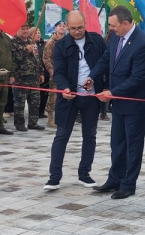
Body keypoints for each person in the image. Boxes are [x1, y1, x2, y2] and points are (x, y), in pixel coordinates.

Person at [87, 5, 145, 200]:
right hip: (118, 102)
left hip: (136, 104)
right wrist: (92, 76)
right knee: (117, 143)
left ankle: (128, 184)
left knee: (133, 145)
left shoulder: (143, 44)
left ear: (126, 23)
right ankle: (114, 179)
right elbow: (106, 59)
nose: (111, 29)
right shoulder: (116, 36)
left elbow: (138, 79)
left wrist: (112, 93)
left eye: (113, 25)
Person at [43, 11, 106, 190]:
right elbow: (59, 71)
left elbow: (104, 63)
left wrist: (93, 79)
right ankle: (54, 177)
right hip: (68, 97)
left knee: (90, 135)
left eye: (80, 28)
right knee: (61, 135)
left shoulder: (97, 41)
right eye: (72, 29)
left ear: (85, 25)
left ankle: (84, 173)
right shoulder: (61, 45)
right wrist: (64, 88)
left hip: (91, 97)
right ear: (67, 27)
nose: (77, 32)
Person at [11, 24, 45, 131]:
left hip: (34, 78)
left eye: (26, 29)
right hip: (21, 78)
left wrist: (41, 73)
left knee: (35, 101)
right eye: (23, 29)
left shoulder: (32, 42)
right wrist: (26, 50)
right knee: (20, 103)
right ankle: (19, 124)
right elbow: (13, 59)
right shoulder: (13, 43)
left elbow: (37, 58)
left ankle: (33, 122)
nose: (25, 31)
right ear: (17, 30)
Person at [42, 20, 67, 128]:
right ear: (55, 28)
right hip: (56, 72)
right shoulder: (51, 42)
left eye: (64, 26)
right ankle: (50, 117)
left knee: (65, 95)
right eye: (59, 26)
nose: (62, 28)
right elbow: (46, 58)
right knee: (54, 96)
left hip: (66, 72)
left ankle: (62, 117)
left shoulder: (67, 41)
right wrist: (52, 71)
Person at [31, 27, 49, 119]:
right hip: (34, 73)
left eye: (39, 32)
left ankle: (41, 111)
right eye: (36, 33)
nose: (38, 34)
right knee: (35, 96)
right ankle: (35, 113)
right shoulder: (30, 45)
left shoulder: (43, 44)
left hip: (44, 72)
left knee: (44, 94)